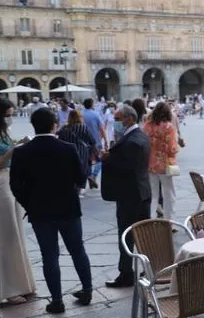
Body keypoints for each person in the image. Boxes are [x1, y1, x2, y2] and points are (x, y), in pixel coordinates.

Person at [10, 107, 93, 314]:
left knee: (49, 256)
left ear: (33, 125)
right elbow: (81, 178)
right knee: (77, 250)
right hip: (68, 209)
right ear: (54, 124)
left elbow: (15, 185)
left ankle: (57, 301)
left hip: (40, 212)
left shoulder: (22, 152)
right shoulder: (68, 148)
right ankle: (87, 291)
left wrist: (29, 203)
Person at [0, 97, 37, 305]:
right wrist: (11, 152)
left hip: (11, 184)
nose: (10, 119)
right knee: (6, 239)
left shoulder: (2, 132)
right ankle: (10, 291)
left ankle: (24, 284)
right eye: (8, 115)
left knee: (17, 236)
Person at [101, 105, 152, 288]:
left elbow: (127, 168)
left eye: (118, 118)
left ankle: (126, 273)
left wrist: (108, 159)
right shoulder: (141, 136)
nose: (115, 122)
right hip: (142, 191)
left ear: (129, 119)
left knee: (126, 234)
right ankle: (149, 268)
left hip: (130, 195)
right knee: (144, 233)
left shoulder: (131, 141)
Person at [141, 102, 179, 223]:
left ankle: (151, 219)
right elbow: (172, 148)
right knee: (169, 194)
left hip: (150, 164)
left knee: (153, 193)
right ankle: (169, 221)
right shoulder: (169, 127)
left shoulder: (147, 126)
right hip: (165, 164)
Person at [56, 109, 99, 197]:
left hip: (68, 154)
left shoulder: (65, 128)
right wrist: (96, 152)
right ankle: (80, 189)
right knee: (82, 170)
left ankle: (74, 188)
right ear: (79, 117)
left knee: (71, 171)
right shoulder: (83, 127)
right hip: (82, 153)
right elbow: (92, 141)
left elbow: (59, 139)